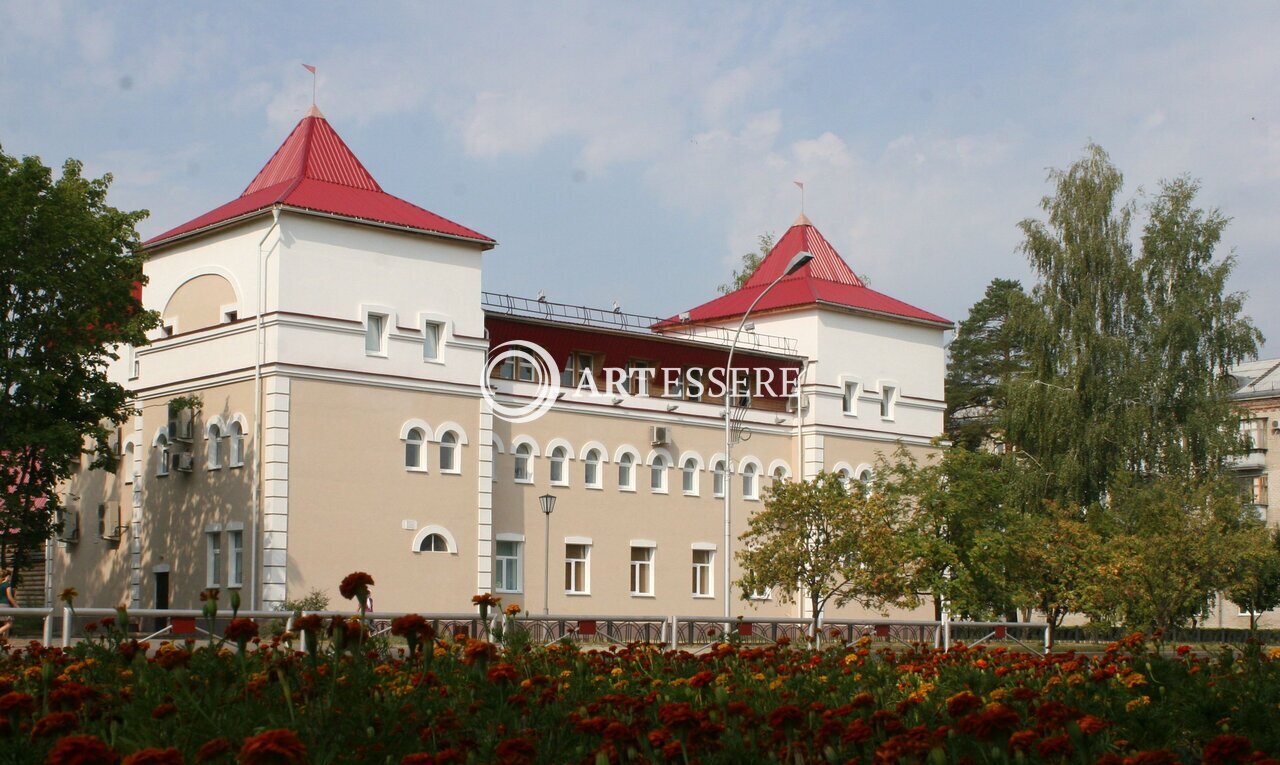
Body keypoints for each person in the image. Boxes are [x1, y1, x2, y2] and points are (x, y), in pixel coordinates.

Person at [0, 567, 16, 642]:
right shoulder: (7, 585)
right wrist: (17, 606)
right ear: (7, 576)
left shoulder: (0, 585)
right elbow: (9, 597)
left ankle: (4, 644)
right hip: (6, 606)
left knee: (5, 628)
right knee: (9, 624)